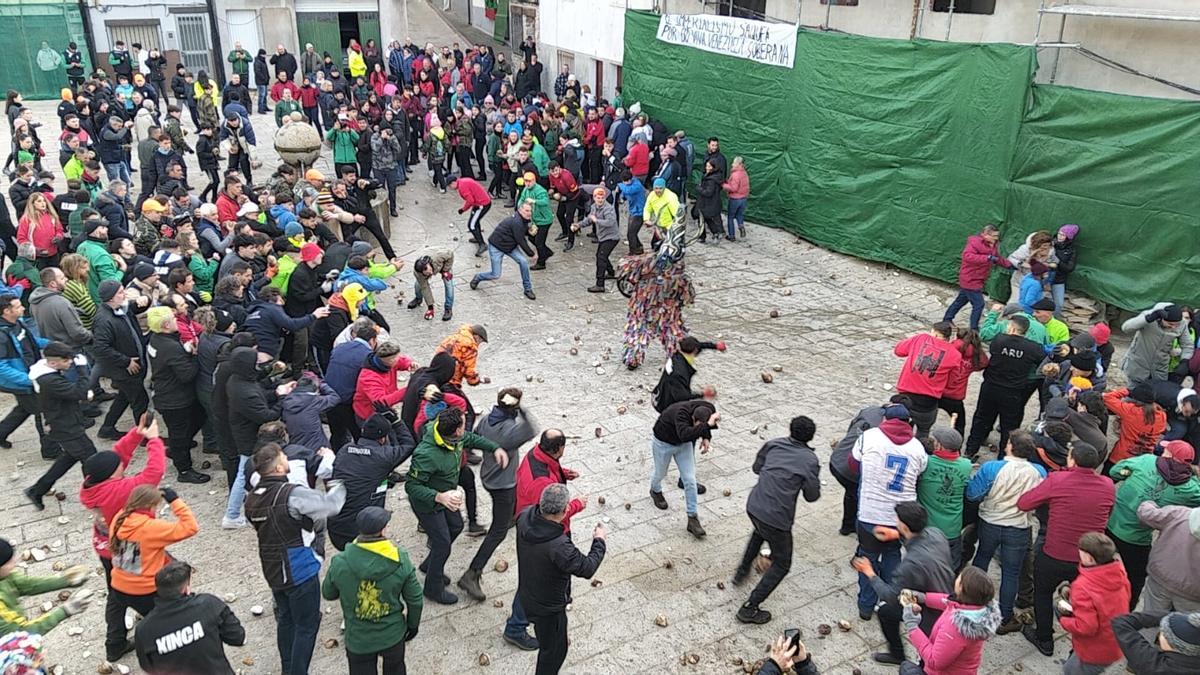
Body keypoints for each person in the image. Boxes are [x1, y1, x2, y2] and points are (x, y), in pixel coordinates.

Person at [244, 443, 346, 675]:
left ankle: (287, 668)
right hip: (299, 568)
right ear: (280, 466)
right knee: (307, 626)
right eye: (284, 456)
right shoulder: (292, 494)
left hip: (272, 568)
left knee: (287, 619)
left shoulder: (252, 498)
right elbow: (332, 505)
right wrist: (339, 480)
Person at [1016, 441, 1115, 657]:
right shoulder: (1108, 485)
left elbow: (1025, 503)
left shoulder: (1058, 480)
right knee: (1085, 602)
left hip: (1055, 552)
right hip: (1089, 558)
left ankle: (1044, 639)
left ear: (1072, 460)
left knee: (1042, 592)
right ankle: (1077, 647)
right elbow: (1107, 514)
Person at [78, 420, 165, 657]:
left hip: (104, 546)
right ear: (113, 473)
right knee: (147, 589)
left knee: (116, 591)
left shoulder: (92, 484)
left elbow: (117, 455)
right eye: (120, 467)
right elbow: (153, 473)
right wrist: (154, 440)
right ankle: (163, 632)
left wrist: (138, 432)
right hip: (127, 549)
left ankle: (114, 643)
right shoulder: (119, 491)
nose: (123, 465)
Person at [405, 407, 500, 605]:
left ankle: (429, 565)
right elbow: (412, 486)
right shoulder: (425, 454)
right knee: (442, 544)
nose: (465, 429)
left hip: (447, 497)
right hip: (429, 504)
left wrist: (494, 448)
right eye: (463, 425)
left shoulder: (454, 436)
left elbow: (470, 439)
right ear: (455, 430)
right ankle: (433, 588)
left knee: (456, 526)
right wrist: (439, 497)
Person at [733, 415, 820, 624]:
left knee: (759, 531)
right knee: (782, 563)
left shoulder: (773, 445)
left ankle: (742, 571)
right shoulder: (809, 460)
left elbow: (757, 468)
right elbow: (812, 495)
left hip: (754, 505)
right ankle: (750, 607)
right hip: (777, 516)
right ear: (811, 437)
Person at [516, 483, 606, 675]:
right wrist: (599, 541)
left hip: (528, 595)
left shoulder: (524, 517)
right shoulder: (558, 545)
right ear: (565, 511)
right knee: (553, 653)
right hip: (549, 609)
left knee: (549, 639)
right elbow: (587, 567)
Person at [322, 507, 423, 675]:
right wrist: (412, 626)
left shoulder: (340, 562)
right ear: (383, 530)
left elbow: (328, 593)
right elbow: (415, 600)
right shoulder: (400, 560)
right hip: (392, 635)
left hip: (358, 640)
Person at [853, 502, 956, 666]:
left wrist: (869, 572)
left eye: (897, 521)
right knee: (886, 612)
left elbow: (891, 595)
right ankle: (897, 654)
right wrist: (896, 535)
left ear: (905, 526)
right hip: (945, 593)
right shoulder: (936, 533)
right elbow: (919, 540)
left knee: (928, 658)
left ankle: (915, 663)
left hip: (930, 611)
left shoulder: (910, 565)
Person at [459, 388, 537, 602]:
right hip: (503, 483)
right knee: (498, 531)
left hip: (487, 475)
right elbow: (532, 429)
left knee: (507, 510)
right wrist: (522, 410)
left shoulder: (487, 420)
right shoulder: (509, 429)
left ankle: (512, 516)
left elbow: (473, 437)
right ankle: (472, 573)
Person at [851, 404, 927, 620]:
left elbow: (853, 464)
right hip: (900, 518)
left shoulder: (870, 436)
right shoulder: (917, 447)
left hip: (870, 513)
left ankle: (866, 605)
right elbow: (920, 472)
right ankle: (890, 600)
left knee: (868, 557)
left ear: (885, 419)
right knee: (893, 556)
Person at [966, 430, 1046, 633]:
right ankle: (1004, 617)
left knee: (981, 560)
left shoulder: (993, 467)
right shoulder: (1039, 472)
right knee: (1011, 573)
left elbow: (973, 494)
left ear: (1010, 446)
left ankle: (971, 601)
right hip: (1019, 527)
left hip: (990, 522)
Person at [1106, 440, 1200, 611]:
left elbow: (1115, 471)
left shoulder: (1146, 461)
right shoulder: (1191, 489)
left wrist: (1128, 475)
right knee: (1136, 579)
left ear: (1168, 454)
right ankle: (1126, 611)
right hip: (1137, 539)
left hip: (1110, 525)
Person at [109, 485, 199, 659]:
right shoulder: (151, 527)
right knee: (166, 622)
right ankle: (167, 655)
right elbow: (191, 527)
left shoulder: (119, 518)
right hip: (144, 590)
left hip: (118, 583)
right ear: (151, 506)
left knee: (115, 616)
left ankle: (114, 646)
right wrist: (175, 501)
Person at [134, 561, 246, 675]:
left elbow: (147, 666)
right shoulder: (208, 605)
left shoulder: (143, 630)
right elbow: (237, 637)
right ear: (186, 589)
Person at [328, 414, 416, 551]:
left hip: (335, 528)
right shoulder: (383, 456)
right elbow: (409, 444)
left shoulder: (344, 451)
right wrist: (397, 421)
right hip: (363, 533)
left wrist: (383, 481)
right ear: (383, 439)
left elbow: (358, 477)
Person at [963, 315, 1045, 459]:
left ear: (1012, 328)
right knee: (1010, 427)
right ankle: (1003, 457)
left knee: (981, 418)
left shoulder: (999, 340)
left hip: (990, 387)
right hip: (1013, 392)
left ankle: (970, 450)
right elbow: (1042, 361)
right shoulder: (1033, 348)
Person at [23, 342, 94, 509]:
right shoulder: (49, 380)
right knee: (90, 457)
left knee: (69, 458)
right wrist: (82, 370)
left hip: (65, 421)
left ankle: (37, 490)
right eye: (66, 360)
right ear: (53, 363)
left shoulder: (48, 372)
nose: (70, 362)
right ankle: (95, 494)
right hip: (65, 425)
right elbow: (80, 392)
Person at [898, 566, 1001, 675]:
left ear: (961, 588)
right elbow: (948, 601)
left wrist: (912, 626)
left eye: (959, 578)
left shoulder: (955, 629)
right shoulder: (977, 607)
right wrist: (924, 598)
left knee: (906, 669)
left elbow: (934, 661)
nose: (956, 578)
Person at [1054, 532, 1130, 675]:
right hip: (1114, 640)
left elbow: (1086, 627)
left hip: (1094, 649)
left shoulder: (1083, 586)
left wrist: (1064, 621)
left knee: (1071, 671)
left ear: (1089, 558)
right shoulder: (1119, 572)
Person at [649, 399, 719, 538]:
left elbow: (706, 427)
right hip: (664, 442)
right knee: (661, 472)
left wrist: (706, 437)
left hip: (684, 445)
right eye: (698, 425)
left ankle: (692, 519)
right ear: (693, 418)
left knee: (690, 480)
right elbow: (685, 434)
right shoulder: (681, 414)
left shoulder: (708, 408)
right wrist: (706, 426)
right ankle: (655, 490)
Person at [92, 281, 149, 440]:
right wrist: (126, 362)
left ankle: (107, 428)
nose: (124, 295)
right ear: (110, 298)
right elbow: (101, 348)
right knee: (140, 400)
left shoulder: (121, 308)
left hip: (132, 366)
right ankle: (145, 436)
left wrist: (145, 300)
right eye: (120, 292)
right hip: (124, 370)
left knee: (124, 397)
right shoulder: (104, 320)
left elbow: (137, 306)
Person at [0, 537, 92, 636]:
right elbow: (22, 633)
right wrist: (66, 610)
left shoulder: (5, 575)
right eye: (8, 562)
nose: (15, 563)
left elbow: (24, 584)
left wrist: (65, 580)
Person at [893, 321, 963, 438]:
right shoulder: (955, 355)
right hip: (927, 402)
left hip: (905, 395)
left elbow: (899, 350)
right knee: (923, 432)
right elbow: (952, 382)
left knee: (897, 429)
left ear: (935, 334)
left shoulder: (921, 338)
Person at [0, 293, 51, 453]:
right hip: (22, 381)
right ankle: (50, 449)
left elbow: (32, 341)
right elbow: (2, 367)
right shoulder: (2, 336)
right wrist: (29, 379)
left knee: (24, 408)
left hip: (31, 374)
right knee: (42, 411)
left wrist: (52, 345)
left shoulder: (17, 323)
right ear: (6, 312)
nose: (23, 308)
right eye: (17, 306)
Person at [917, 426, 973, 568]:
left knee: (922, 568)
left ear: (940, 445)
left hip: (928, 528)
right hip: (952, 529)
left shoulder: (926, 463)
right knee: (949, 569)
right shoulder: (966, 465)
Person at [1136, 501, 1200, 613]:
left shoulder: (1180, 514)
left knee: (1150, 619)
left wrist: (1148, 503)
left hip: (1160, 577)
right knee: (1185, 627)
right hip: (1192, 592)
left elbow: (1147, 514)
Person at [469, 200, 537, 300]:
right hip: (497, 246)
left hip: (510, 245)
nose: (529, 213)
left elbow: (519, 233)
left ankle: (528, 288)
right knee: (495, 274)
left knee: (523, 262)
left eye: (530, 211)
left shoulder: (522, 220)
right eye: (526, 210)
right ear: (520, 210)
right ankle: (478, 277)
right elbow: (520, 240)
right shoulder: (517, 222)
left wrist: (528, 231)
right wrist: (531, 254)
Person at [1122, 303, 1191, 386]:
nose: (1173, 327)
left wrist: (1185, 361)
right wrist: (1147, 319)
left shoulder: (1181, 324)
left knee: (1155, 396)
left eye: (1176, 325)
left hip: (1160, 369)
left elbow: (1187, 345)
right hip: (1138, 365)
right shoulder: (1149, 316)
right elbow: (1126, 328)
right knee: (1133, 394)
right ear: (1161, 319)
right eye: (1170, 324)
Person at [1113, 609, 1200, 674]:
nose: (1159, 633)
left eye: (1163, 633)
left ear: (1172, 644)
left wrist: (1170, 617)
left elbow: (1121, 623)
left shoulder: (1151, 663)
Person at [1103, 385, 1167, 466]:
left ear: (1136, 400)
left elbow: (1107, 398)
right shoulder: (1162, 416)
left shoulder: (1130, 411)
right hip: (1143, 460)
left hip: (1120, 458)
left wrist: (1126, 391)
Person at [585, 186, 619, 293]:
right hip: (603, 237)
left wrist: (597, 221)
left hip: (611, 237)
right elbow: (589, 219)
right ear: (594, 198)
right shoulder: (594, 207)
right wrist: (578, 225)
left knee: (601, 257)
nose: (600, 200)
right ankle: (611, 272)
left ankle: (600, 284)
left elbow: (610, 222)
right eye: (598, 198)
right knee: (602, 255)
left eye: (602, 198)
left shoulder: (609, 209)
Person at [408, 251, 454, 322]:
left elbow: (451, 255)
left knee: (449, 285)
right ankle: (418, 298)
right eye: (428, 274)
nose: (432, 274)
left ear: (429, 264)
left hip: (443, 264)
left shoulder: (439, 256)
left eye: (431, 271)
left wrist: (445, 270)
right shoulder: (418, 273)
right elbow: (425, 288)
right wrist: (430, 308)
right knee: (419, 284)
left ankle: (448, 308)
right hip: (423, 274)